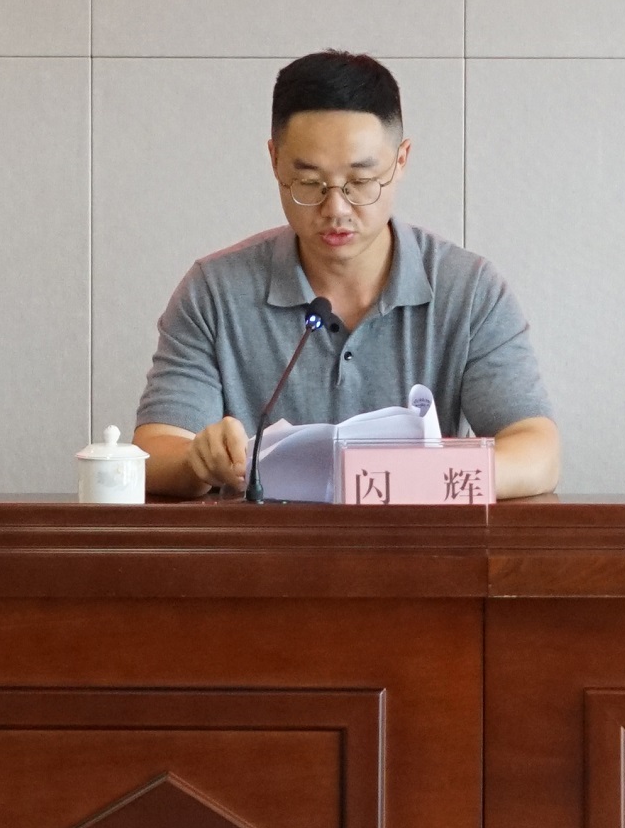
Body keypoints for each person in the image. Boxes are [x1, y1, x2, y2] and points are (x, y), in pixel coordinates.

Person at [136, 51, 558, 499]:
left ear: (401, 160)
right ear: (275, 161)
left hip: (419, 541)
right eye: (310, 183)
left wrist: (394, 480)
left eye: (360, 182)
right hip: (263, 545)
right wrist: (197, 461)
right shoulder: (214, 292)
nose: (336, 209)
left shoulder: (469, 290)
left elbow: (537, 451)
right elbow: (152, 450)